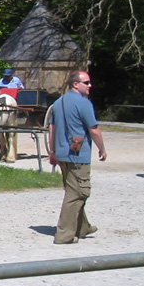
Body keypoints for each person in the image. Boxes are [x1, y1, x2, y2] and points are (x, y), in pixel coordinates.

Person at [47, 71, 107, 244]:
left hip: (62, 154)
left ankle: (82, 227)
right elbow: (94, 130)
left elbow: (51, 128)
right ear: (76, 84)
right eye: (86, 82)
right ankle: (64, 235)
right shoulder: (84, 103)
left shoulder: (58, 103)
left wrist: (53, 151)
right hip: (78, 155)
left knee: (73, 189)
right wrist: (102, 149)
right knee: (79, 193)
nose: (90, 85)